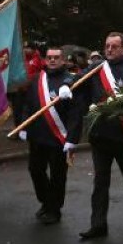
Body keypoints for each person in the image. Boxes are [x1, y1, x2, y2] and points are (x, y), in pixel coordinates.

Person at [77, 32, 123, 240]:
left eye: (114, 46)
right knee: (100, 183)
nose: (109, 50)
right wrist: (64, 85)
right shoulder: (96, 69)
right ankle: (98, 225)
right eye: (107, 46)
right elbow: (77, 81)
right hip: (100, 138)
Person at [20, 46, 82, 224]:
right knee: (35, 170)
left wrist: (72, 139)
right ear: (45, 60)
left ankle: (54, 210)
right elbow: (28, 104)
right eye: (49, 57)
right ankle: (47, 201)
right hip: (37, 136)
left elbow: (75, 114)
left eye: (56, 57)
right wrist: (24, 126)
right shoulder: (38, 79)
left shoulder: (70, 81)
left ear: (63, 60)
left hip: (58, 139)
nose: (52, 60)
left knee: (58, 176)